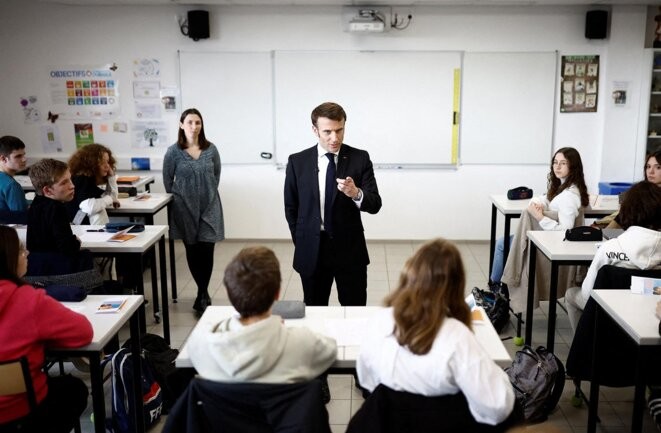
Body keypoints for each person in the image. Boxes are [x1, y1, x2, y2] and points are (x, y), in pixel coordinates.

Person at [356, 238, 515, 426]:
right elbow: (497, 407)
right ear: (456, 286)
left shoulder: (380, 321)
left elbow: (365, 379)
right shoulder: (457, 336)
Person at [186, 246, 337, 383]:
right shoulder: (303, 342)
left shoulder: (200, 343)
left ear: (229, 293)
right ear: (277, 294)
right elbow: (331, 351)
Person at [284, 102, 382, 306]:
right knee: (314, 310)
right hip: (312, 250)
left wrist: (356, 193)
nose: (334, 138)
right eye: (327, 132)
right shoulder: (297, 162)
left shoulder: (360, 158)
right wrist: (302, 241)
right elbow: (291, 208)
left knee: (354, 311)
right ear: (315, 130)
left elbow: (375, 204)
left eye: (340, 130)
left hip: (349, 250)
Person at [0, 225, 93, 433]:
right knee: (74, 389)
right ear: (10, 260)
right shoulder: (27, 300)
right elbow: (83, 332)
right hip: (22, 411)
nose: (27, 254)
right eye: (22, 250)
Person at [490, 147, 589, 294]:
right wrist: (538, 202)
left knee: (501, 244)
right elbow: (546, 198)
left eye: (563, 163)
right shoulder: (563, 188)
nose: (557, 166)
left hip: (547, 244)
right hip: (542, 238)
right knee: (502, 243)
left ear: (572, 166)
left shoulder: (568, 197)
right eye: (555, 162)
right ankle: (497, 289)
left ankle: (495, 290)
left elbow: (565, 231)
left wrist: (540, 217)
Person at [564, 181, 661, 332]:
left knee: (571, 294)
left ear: (627, 210)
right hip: (652, 314)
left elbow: (587, 292)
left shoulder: (610, 248)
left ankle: (585, 348)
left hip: (610, 311)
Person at [163, 108, 224, 315]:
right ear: (181, 125)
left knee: (207, 249)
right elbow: (167, 180)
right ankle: (202, 291)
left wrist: (205, 194)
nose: (194, 126)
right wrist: (181, 199)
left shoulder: (211, 149)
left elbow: (216, 175)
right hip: (184, 208)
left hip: (209, 206)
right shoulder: (173, 152)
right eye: (189, 122)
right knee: (193, 250)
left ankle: (202, 293)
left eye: (197, 122)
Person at [26, 159, 88, 275]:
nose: (72, 186)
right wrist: (76, 241)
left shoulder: (36, 203)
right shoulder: (56, 209)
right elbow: (67, 247)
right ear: (47, 191)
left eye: (70, 179)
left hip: (39, 270)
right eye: (64, 183)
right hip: (58, 272)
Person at [66, 143, 119, 225]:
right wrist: (111, 199)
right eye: (102, 163)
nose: (107, 166)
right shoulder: (81, 179)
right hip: (78, 224)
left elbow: (109, 195)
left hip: (82, 222)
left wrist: (111, 177)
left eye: (107, 162)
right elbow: (89, 207)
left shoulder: (89, 179)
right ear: (91, 164)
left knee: (100, 207)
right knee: (98, 211)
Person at [0, 136, 28, 223]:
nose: (24, 159)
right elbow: (22, 218)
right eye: (18, 156)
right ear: (3, 159)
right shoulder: (11, 185)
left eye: (24, 155)